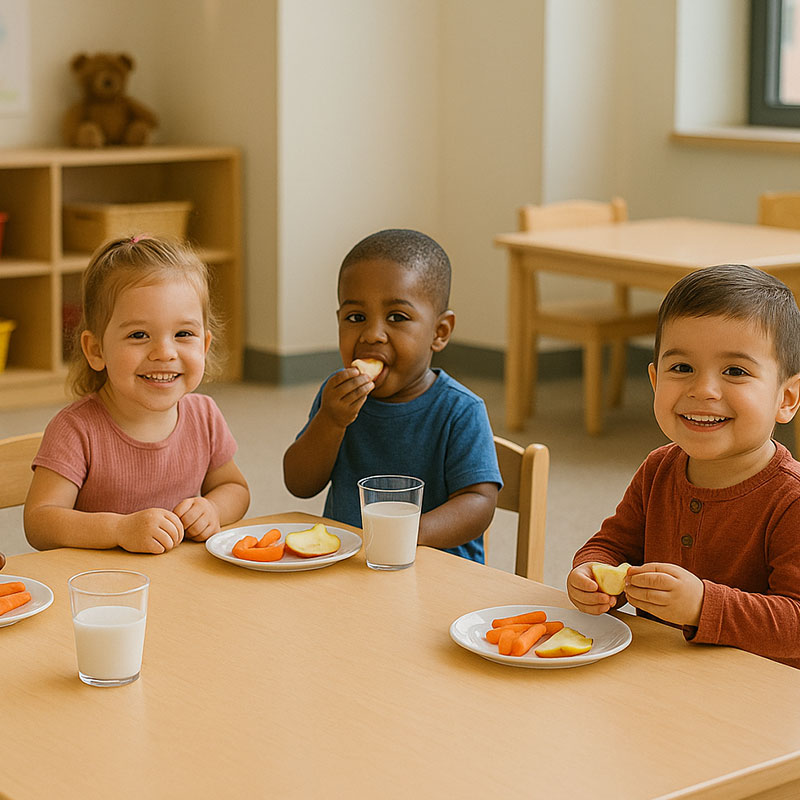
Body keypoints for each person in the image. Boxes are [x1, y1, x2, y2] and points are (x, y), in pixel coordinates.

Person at [567, 263, 800, 668]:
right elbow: (615, 545)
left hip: (757, 701)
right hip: (659, 673)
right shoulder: (659, 468)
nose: (703, 390)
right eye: (682, 368)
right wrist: (592, 572)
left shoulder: (791, 500)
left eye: (735, 371)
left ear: (786, 399)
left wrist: (703, 606)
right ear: (655, 381)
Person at [283, 228, 501, 562]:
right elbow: (299, 483)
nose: (372, 334)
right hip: (352, 566)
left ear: (439, 332)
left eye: (397, 317)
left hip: (436, 573)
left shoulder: (459, 410)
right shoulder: (337, 399)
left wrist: (409, 532)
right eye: (356, 317)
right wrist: (330, 421)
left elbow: (478, 502)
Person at [24, 236, 250, 554]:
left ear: (204, 345)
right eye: (139, 335)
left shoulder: (205, 415)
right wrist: (119, 529)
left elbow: (234, 488)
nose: (164, 352)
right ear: (96, 349)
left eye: (183, 334)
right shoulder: (75, 429)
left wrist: (212, 509)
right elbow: (40, 522)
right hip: (101, 590)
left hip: (182, 583)